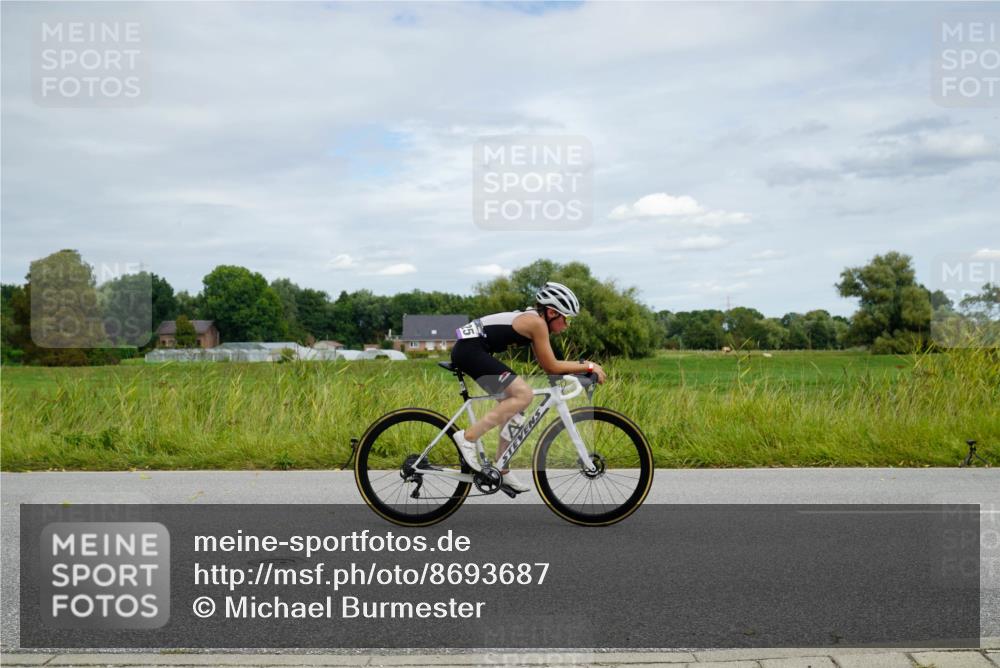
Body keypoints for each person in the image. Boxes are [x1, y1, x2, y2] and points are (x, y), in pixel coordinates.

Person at [450, 281, 606, 493]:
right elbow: (551, 365)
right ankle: (468, 437)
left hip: (472, 349)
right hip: (470, 350)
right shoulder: (537, 323)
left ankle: (501, 469)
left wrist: (577, 369)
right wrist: (588, 365)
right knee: (524, 394)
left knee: (516, 407)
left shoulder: (535, 321)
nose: (567, 325)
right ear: (551, 313)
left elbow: (549, 365)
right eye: (566, 318)